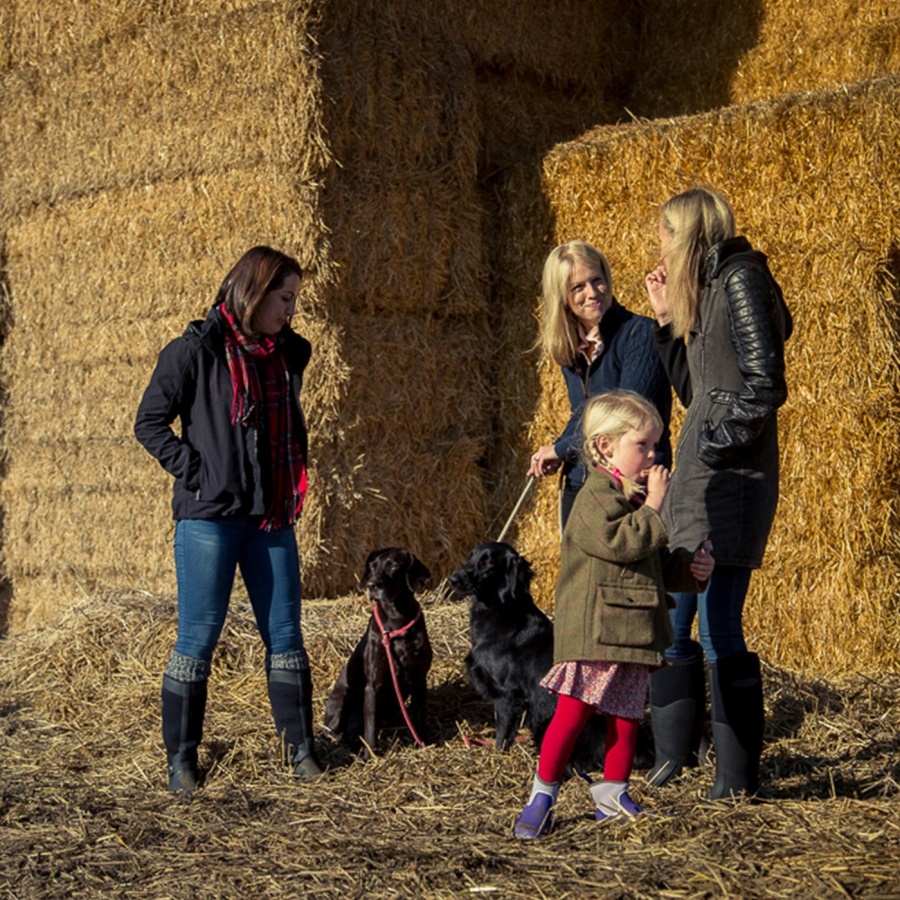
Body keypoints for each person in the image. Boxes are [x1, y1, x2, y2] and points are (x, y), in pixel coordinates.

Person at [134, 246, 323, 793]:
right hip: (210, 516)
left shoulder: (288, 355)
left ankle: (301, 753)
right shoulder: (194, 351)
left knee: (286, 634)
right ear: (255, 292)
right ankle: (182, 762)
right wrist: (196, 472)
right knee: (198, 637)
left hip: (271, 516)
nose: (291, 310)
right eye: (284, 298)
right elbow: (149, 424)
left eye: (293, 299)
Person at [644, 187, 792, 799]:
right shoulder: (705, 291)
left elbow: (765, 385)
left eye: (665, 235)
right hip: (697, 483)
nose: (660, 246)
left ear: (690, 232)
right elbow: (692, 391)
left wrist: (711, 443)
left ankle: (735, 783)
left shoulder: (741, 278)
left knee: (719, 625)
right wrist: (664, 320)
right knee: (675, 622)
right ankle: (673, 757)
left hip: (730, 480)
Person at [513, 390, 714, 839]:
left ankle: (612, 792)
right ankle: (542, 794)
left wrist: (690, 568)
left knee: (625, 716)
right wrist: (656, 507)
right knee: (573, 712)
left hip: (632, 629)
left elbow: (649, 562)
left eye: (656, 445)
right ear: (606, 446)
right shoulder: (594, 498)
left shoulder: (631, 498)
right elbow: (619, 544)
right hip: (595, 628)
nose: (653, 454)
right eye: (642, 445)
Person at [527, 240, 672, 529]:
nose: (592, 293)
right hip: (582, 483)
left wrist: (561, 449)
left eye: (597, 281)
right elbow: (583, 413)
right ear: (562, 297)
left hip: (632, 486)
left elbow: (623, 418)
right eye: (578, 287)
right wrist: (558, 450)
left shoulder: (639, 334)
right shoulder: (569, 347)